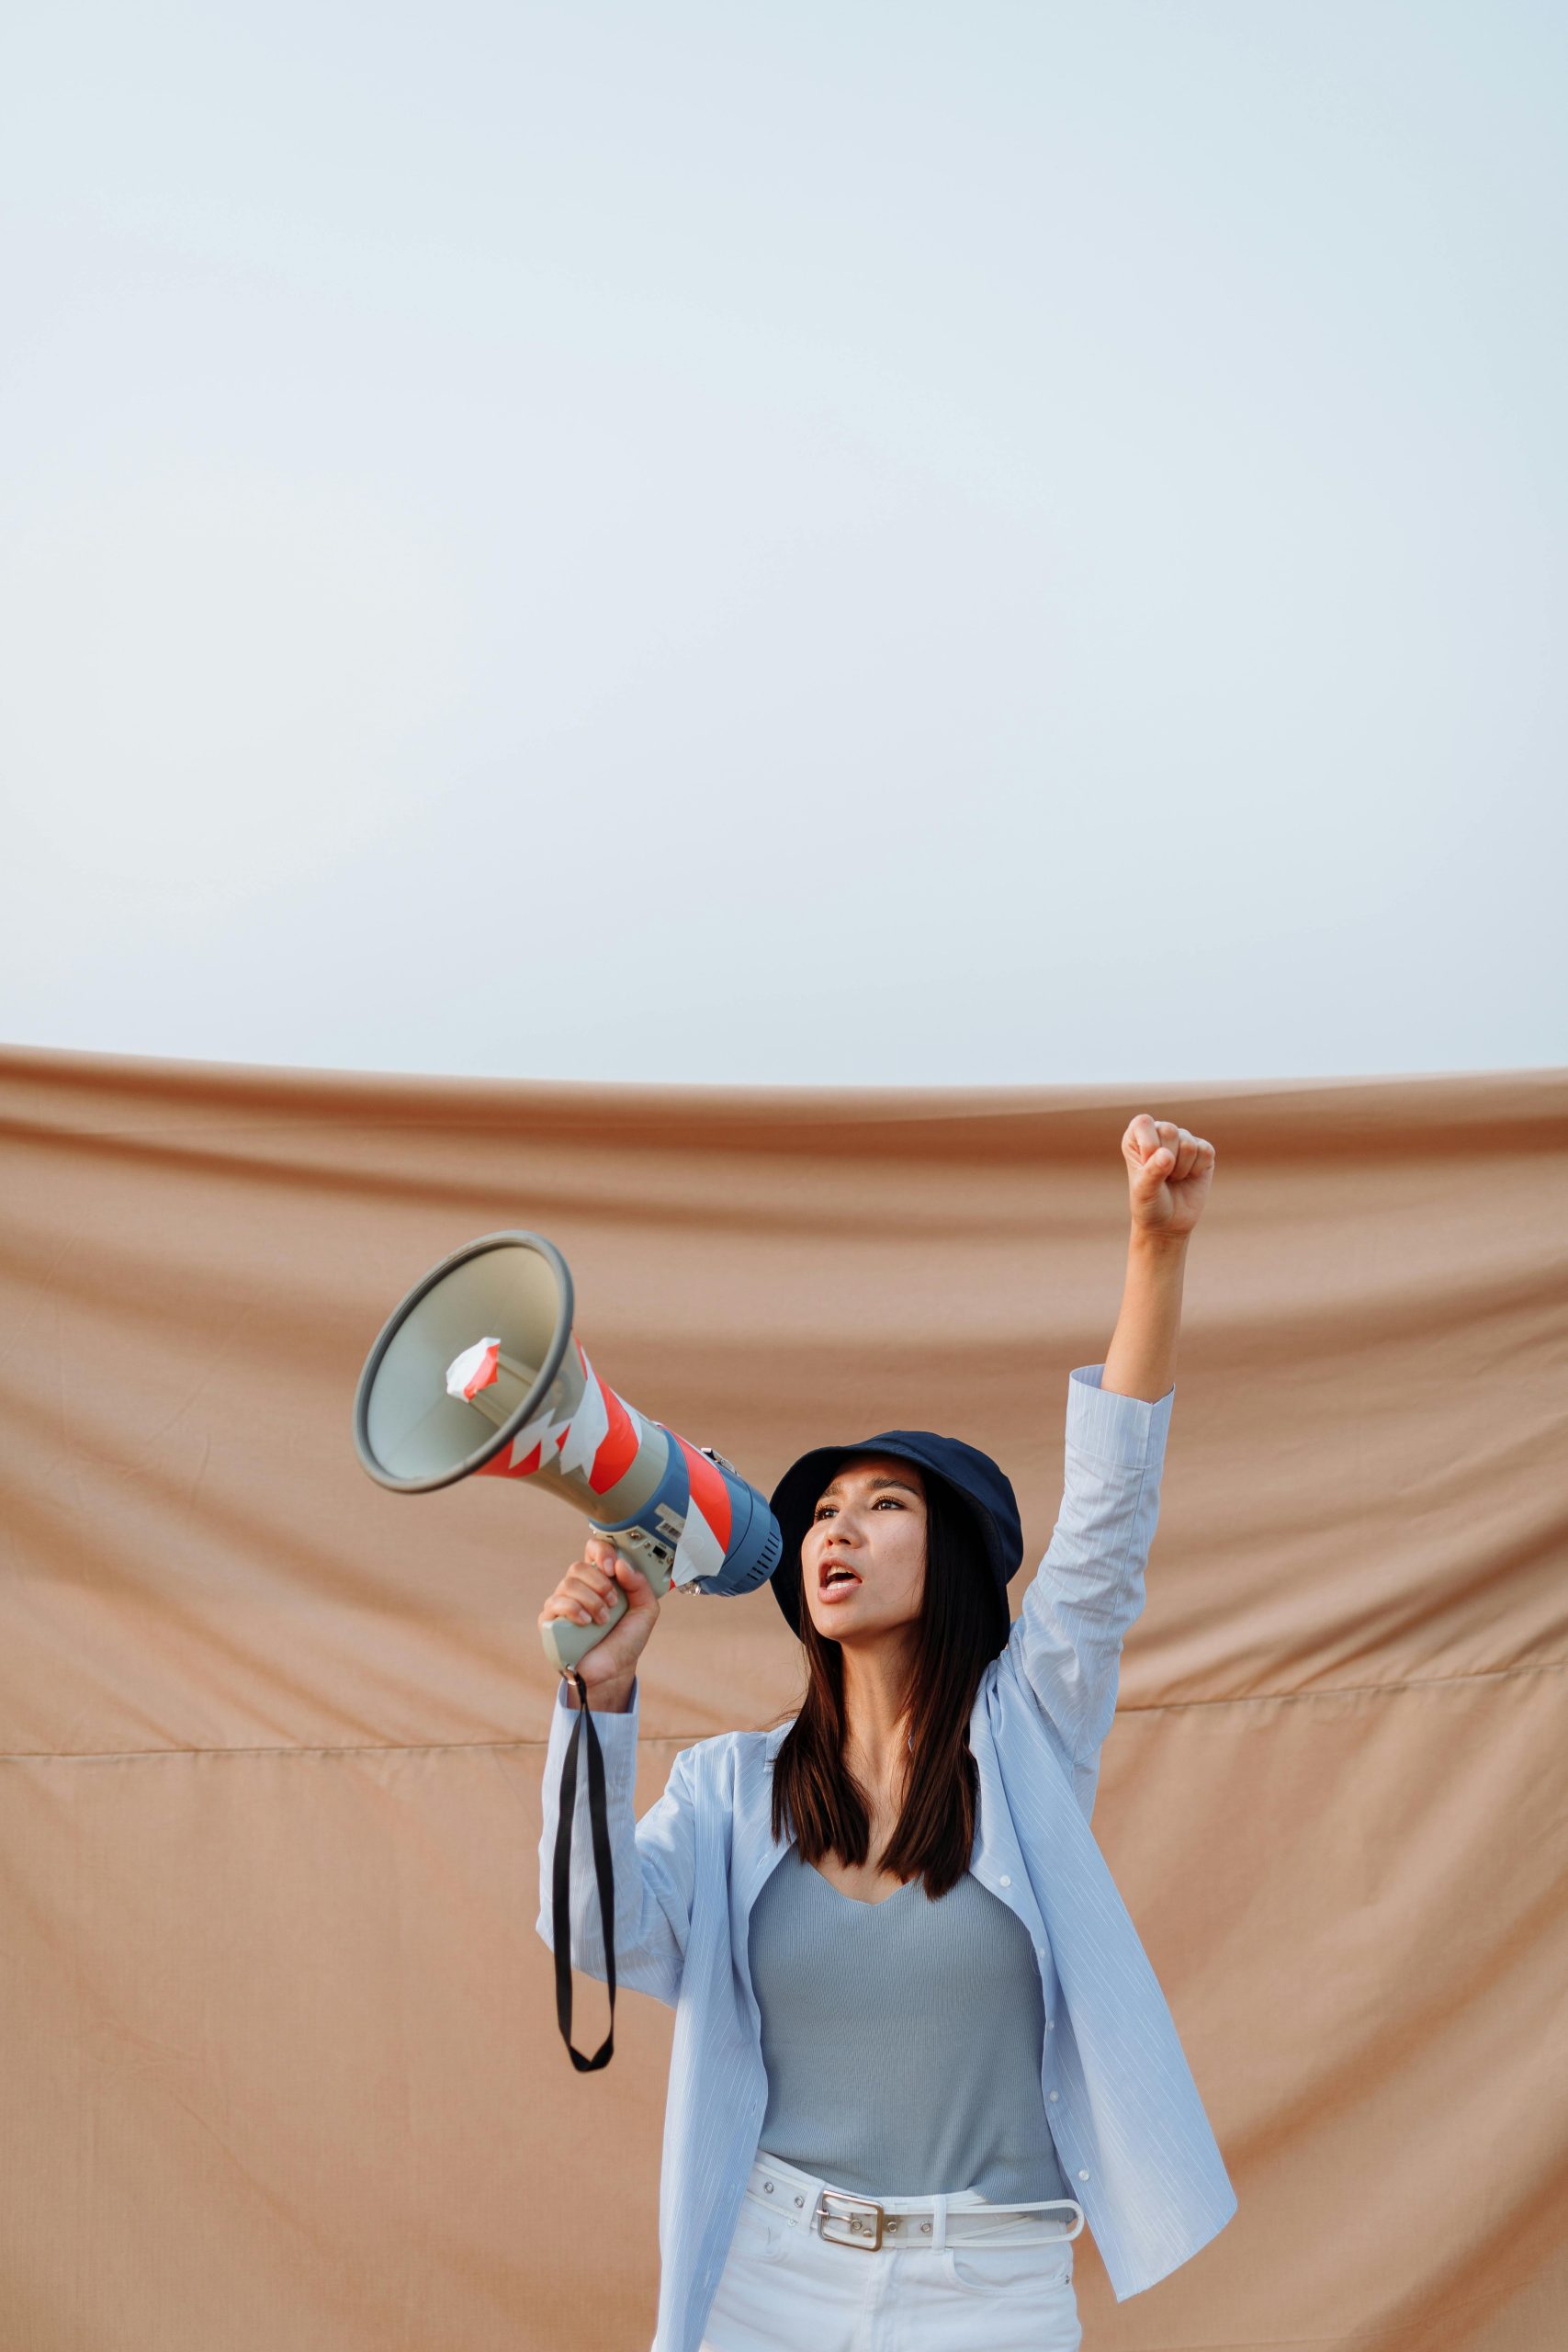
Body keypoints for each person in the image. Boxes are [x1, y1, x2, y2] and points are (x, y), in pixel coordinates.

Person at [536, 1114, 1235, 2352]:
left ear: (956, 1557)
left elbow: (1111, 1521)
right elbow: (596, 1933)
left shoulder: (1028, 1737)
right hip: (769, 2274)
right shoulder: (725, 1789)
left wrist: (1153, 1248)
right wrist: (595, 1700)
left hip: (990, 2290)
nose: (835, 1533)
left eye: (883, 1505)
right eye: (819, 1518)